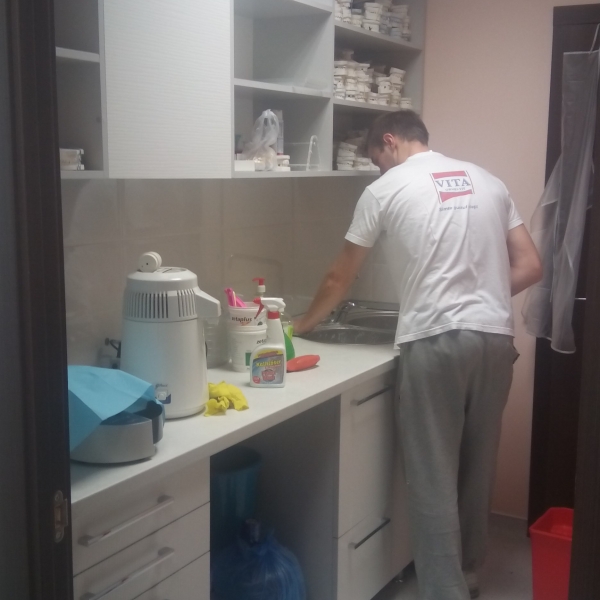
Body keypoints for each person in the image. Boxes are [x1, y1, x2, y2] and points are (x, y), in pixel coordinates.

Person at [294, 111, 542, 600]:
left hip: (435, 341)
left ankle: (445, 592)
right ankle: (469, 575)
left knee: (433, 475)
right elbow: (531, 265)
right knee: (476, 468)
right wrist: (481, 297)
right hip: (495, 339)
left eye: (377, 160)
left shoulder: (384, 190)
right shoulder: (488, 180)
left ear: (389, 141)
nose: (379, 170)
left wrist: (301, 326)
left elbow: (339, 278)